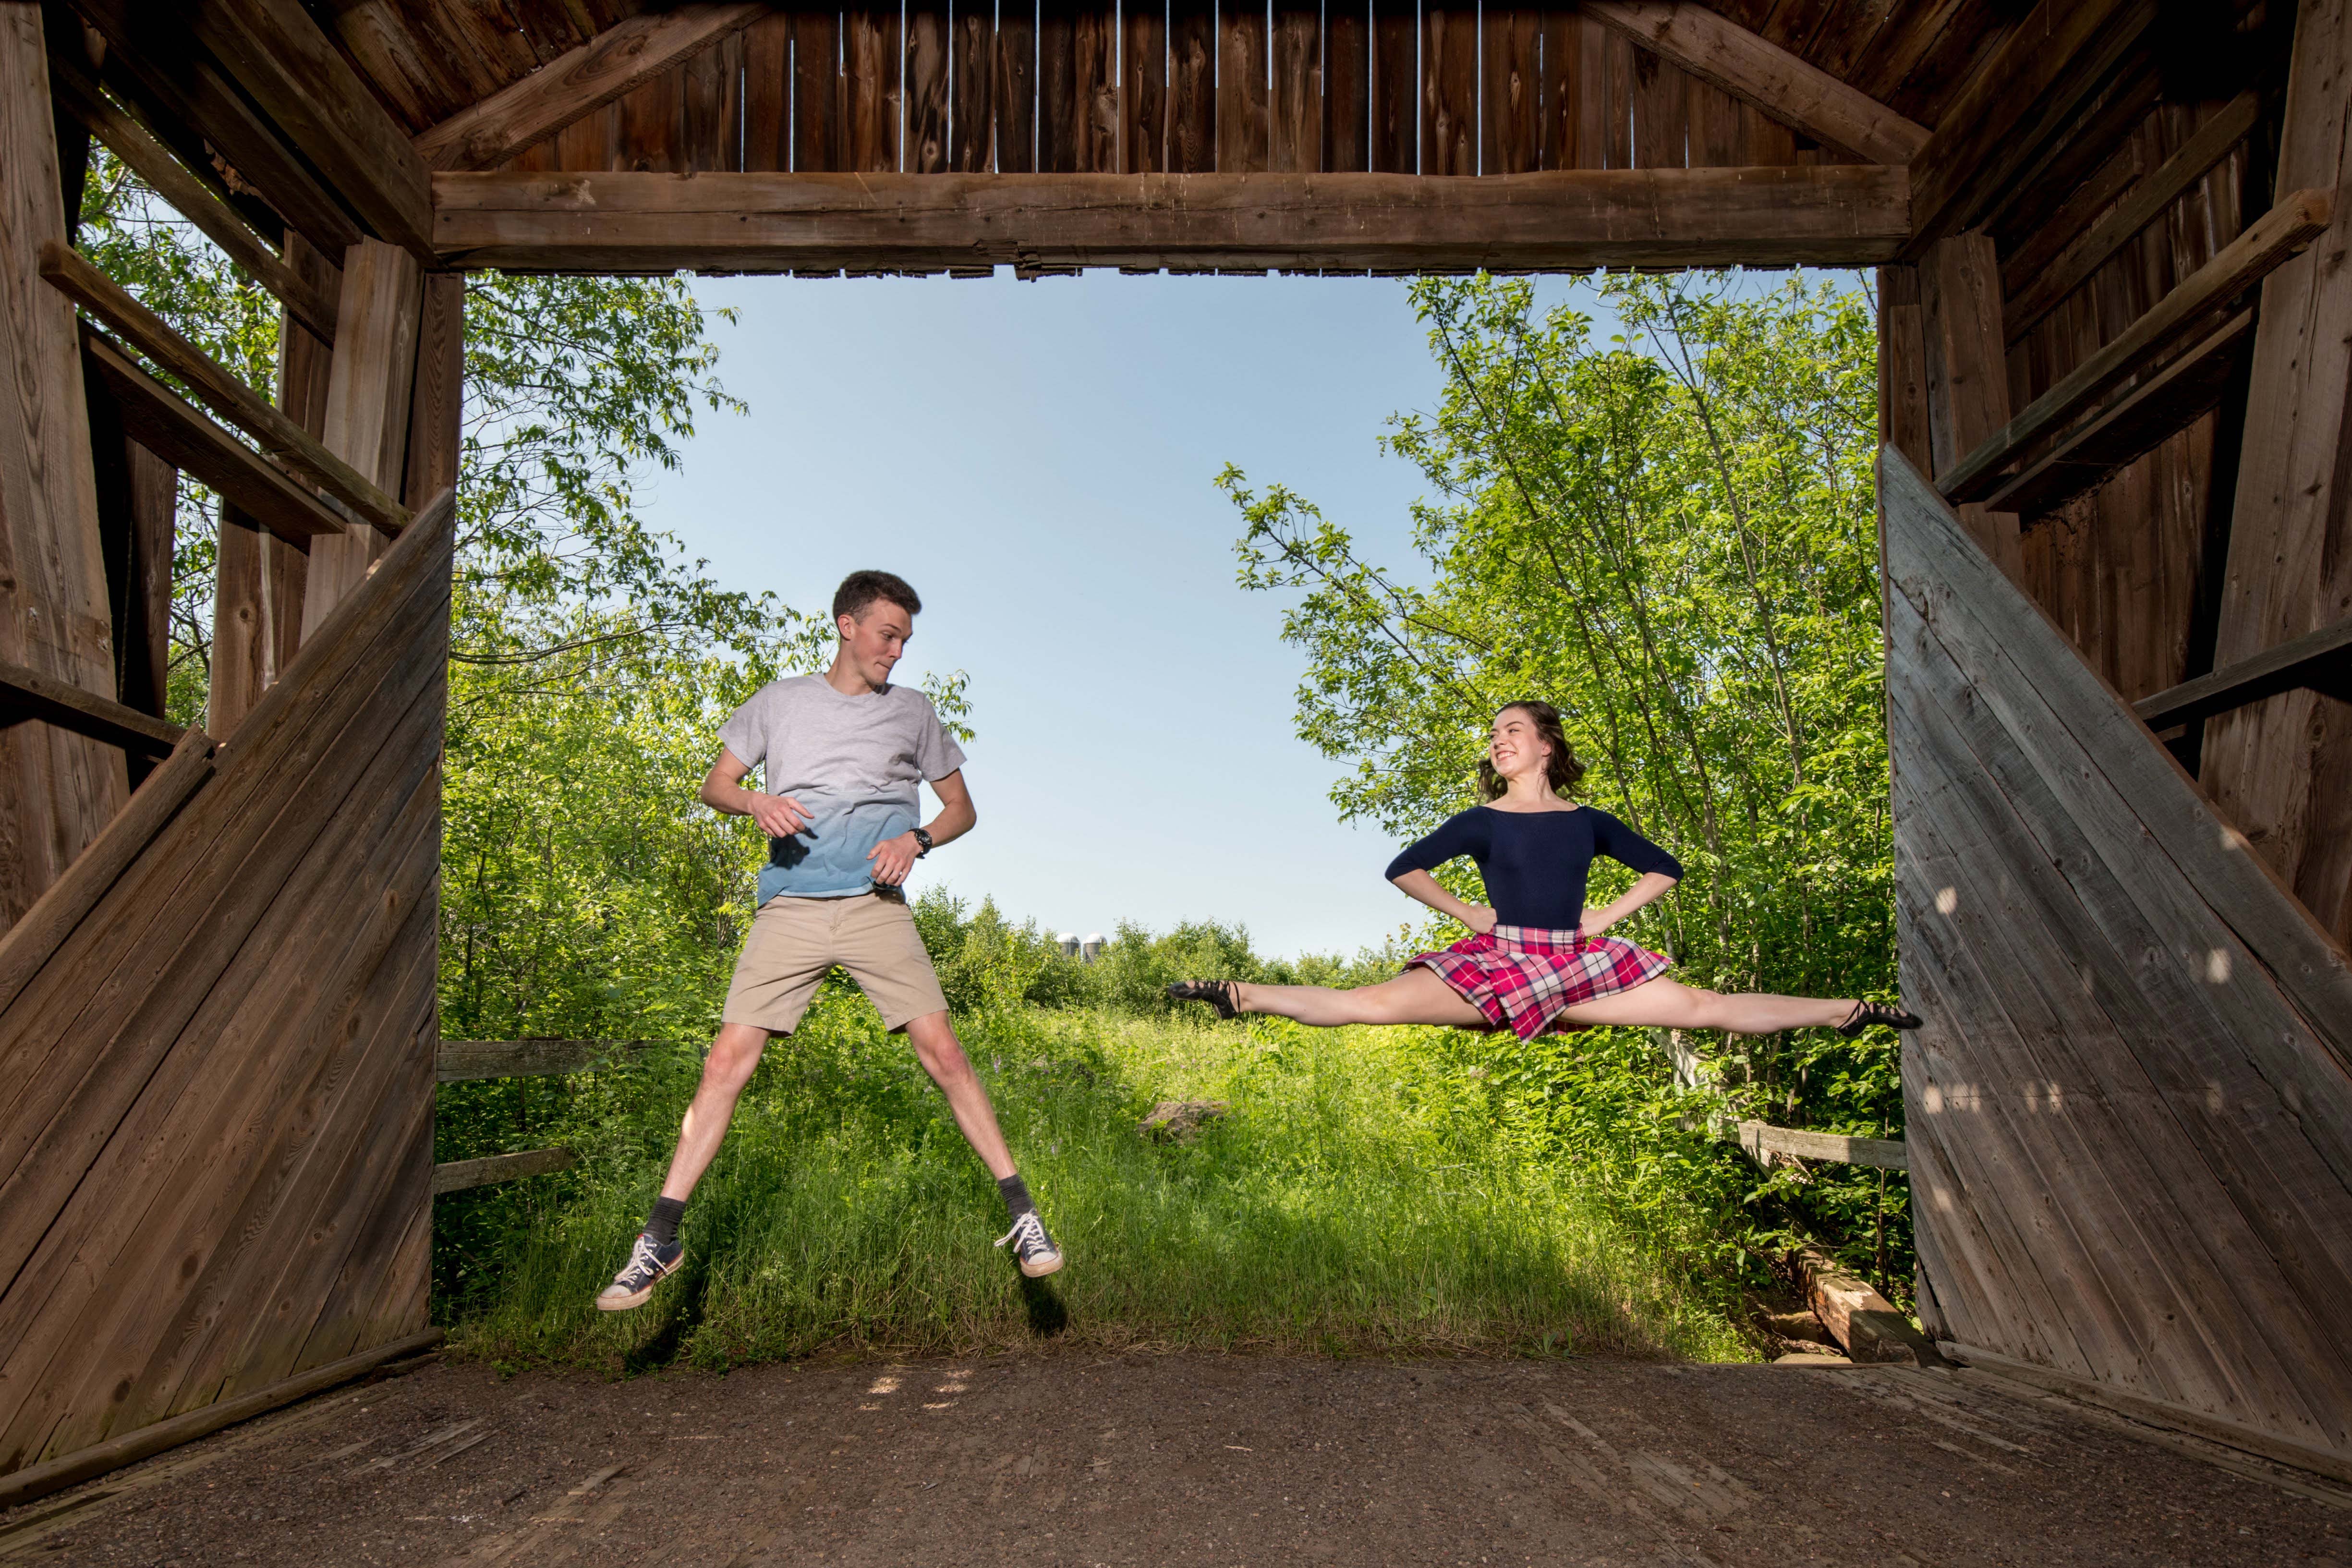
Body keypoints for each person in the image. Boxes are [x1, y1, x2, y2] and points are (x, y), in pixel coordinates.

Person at [598, 570, 1062, 1312]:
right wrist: (755, 800)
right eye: (888, 634)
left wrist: (917, 838)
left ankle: (1023, 1215)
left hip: (876, 906)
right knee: (726, 1060)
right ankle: (660, 1239)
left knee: (942, 1051)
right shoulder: (780, 702)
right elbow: (715, 784)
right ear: (847, 624)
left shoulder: (912, 712)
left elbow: (961, 809)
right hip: (792, 907)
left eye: (906, 639)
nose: (898, 651)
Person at [1169, 699, 1921, 1042]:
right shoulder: (1482, 820)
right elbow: (1405, 868)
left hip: (1581, 965)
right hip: (1502, 963)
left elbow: (1663, 867)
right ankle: (1240, 994)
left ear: (1545, 747)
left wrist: (1602, 918)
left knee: (1704, 1006)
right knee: (1373, 1003)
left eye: (1512, 731)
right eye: (1493, 734)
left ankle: (1848, 1010)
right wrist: (1469, 916)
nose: (1498, 741)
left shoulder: (1587, 822)